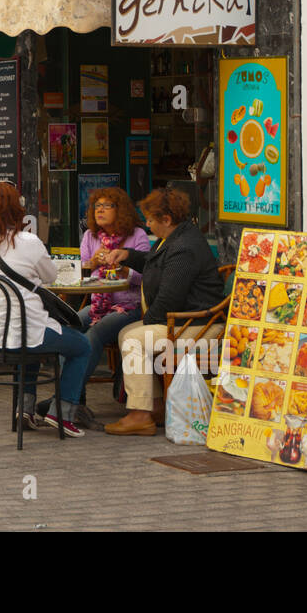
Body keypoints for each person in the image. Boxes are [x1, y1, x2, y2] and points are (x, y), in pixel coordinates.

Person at [0, 181, 91, 437]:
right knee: (82, 346)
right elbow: (51, 275)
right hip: (25, 333)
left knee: (27, 336)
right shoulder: (28, 241)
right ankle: (62, 413)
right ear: (17, 209)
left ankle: (24, 409)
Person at [99, 187, 226, 436]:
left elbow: (169, 299)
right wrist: (128, 255)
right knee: (127, 332)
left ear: (166, 220)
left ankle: (139, 413)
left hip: (202, 329)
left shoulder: (184, 249)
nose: (147, 224)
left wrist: (148, 320)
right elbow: (154, 262)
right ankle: (154, 405)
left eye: (150, 219)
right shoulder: (175, 237)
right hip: (186, 322)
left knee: (136, 338)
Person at [76, 187, 150, 388]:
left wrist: (124, 271)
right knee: (68, 327)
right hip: (97, 306)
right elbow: (82, 278)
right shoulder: (91, 237)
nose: (100, 210)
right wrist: (93, 263)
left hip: (128, 307)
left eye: (107, 206)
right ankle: (73, 398)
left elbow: (148, 277)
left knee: (94, 334)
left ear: (121, 210)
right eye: (97, 206)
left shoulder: (137, 236)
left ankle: (70, 394)